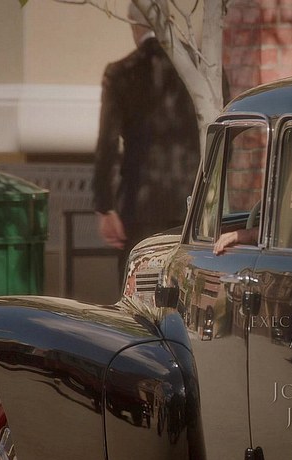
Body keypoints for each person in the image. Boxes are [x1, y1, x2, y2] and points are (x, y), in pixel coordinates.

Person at [93, 4, 200, 276]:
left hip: (139, 206)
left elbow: (107, 144)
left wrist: (105, 206)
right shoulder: (200, 70)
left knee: (137, 288)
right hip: (193, 204)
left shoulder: (121, 73)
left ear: (133, 23)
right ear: (170, 19)